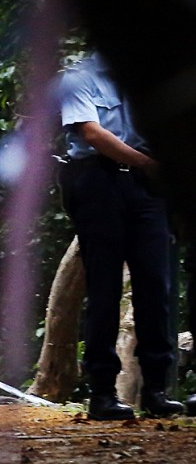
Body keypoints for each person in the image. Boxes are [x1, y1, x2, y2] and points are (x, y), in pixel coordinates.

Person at [59, 52, 183, 420]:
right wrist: (148, 164)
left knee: (154, 284)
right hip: (99, 182)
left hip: (147, 188)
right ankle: (101, 391)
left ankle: (157, 389)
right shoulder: (77, 78)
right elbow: (91, 133)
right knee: (105, 288)